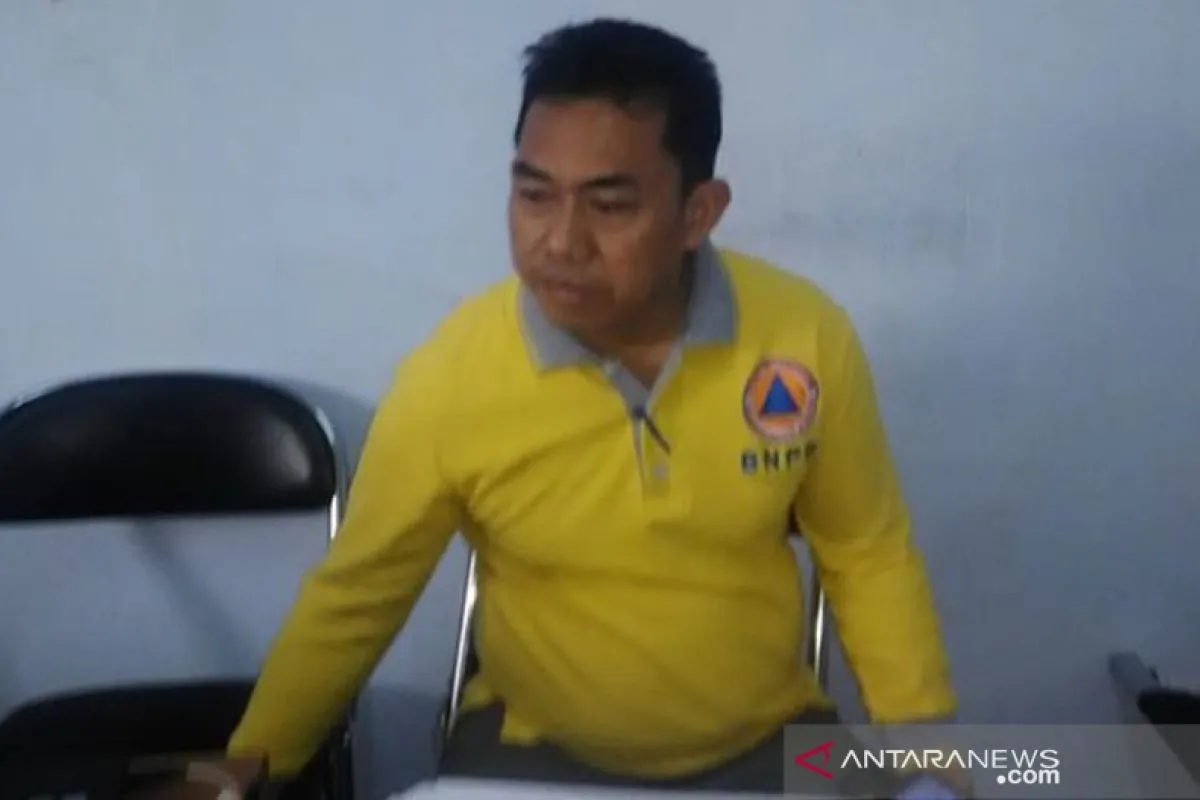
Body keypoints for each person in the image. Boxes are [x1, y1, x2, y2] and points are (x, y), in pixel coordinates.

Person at [228, 17, 958, 795]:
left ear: (698, 213)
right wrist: (234, 773)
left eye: (609, 206)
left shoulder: (803, 338)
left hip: (775, 744)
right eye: (534, 195)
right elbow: (357, 594)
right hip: (531, 747)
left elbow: (868, 553)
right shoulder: (452, 376)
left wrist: (934, 762)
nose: (560, 242)